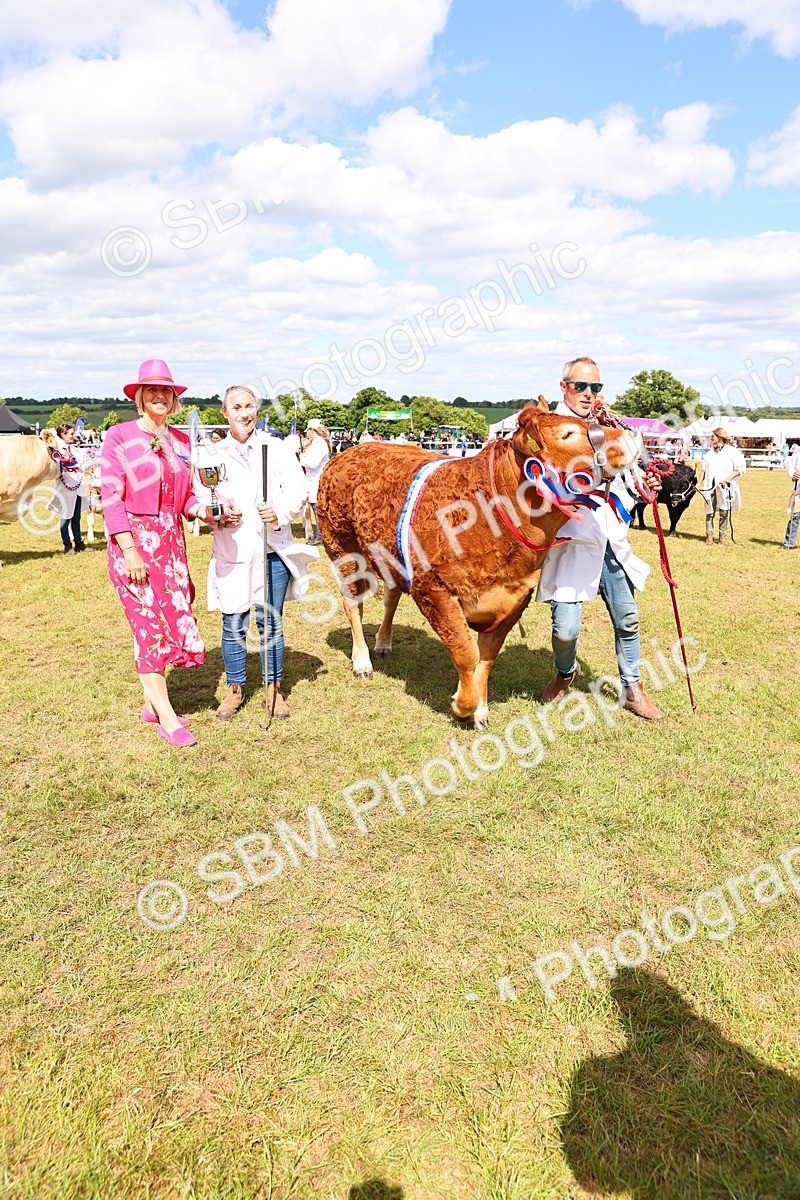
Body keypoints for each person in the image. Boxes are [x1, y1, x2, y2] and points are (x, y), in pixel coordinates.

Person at [100, 359, 223, 748]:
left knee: (170, 622)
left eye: (166, 391)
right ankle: (168, 719)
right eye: (150, 390)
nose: (159, 396)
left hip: (171, 546)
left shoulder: (182, 443)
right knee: (148, 629)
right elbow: (111, 497)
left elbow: (187, 496)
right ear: (138, 397)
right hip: (132, 545)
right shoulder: (119, 437)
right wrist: (130, 551)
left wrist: (207, 510)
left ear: (174, 400)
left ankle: (152, 705)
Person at [536, 355, 665, 721]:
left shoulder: (609, 427)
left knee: (628, 619)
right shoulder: (551, 429)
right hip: (570, 542)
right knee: (565, 630)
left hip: (609, 538)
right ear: (565, 387)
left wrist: (646, 485)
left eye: (596, 387)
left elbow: (631, 475)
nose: (589, 394)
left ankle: (632, 688)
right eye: (581, 386)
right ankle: (565, 672)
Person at [197, 384, 317, 721]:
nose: (244, 413)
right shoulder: (211, 455)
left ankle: (273, 689)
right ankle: (235, 688)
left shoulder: (275, 448)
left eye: (249, 406)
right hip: (232, 549)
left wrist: (278, 511)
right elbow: (203, 497)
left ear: (257, 410)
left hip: (270, 551)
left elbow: (298, 488)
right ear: (225, 412)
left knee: (270, 623)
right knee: (233, 621)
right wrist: (217, 514)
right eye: (236, 407)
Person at [47, 422, 91, 554]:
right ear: (63, 434)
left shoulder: (74, 449)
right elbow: (58, 468)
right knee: (65, 517)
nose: (73, 436)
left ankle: (78, 543)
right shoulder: (57, 451)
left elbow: (82, 467)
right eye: (71, 433)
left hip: (77, 487)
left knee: (76, 517)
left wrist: (90, 460)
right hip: (65, 488)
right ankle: (67, 545)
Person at [700, 428, 745, 545]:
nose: (711, 438)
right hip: (710, 487)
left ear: (719, 437)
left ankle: (722, 535)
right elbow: (703, 470)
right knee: (709, 511)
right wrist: (698, 483)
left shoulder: (732, 452)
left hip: (725, 487)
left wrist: (728, 479)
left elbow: (740, 469)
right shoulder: (709, 453)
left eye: (713, 436)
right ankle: (709, 535)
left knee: (724, 511)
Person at [299, 418, 331, 546]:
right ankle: (320, 535)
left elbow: (312, 463)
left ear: (313, 431)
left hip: (317, 481)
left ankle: (320, 536)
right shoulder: (318, 443)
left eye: (308, 431)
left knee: (317, 509)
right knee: (316, 508)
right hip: (313, 480)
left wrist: (301, 458)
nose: (307, 434)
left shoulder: (319, 444)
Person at [782, 442, 800, 549]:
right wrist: (793, 473)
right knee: (795, 516)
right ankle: (789, 542)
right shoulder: (797, 451)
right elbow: (790, 465)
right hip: (798, 489)